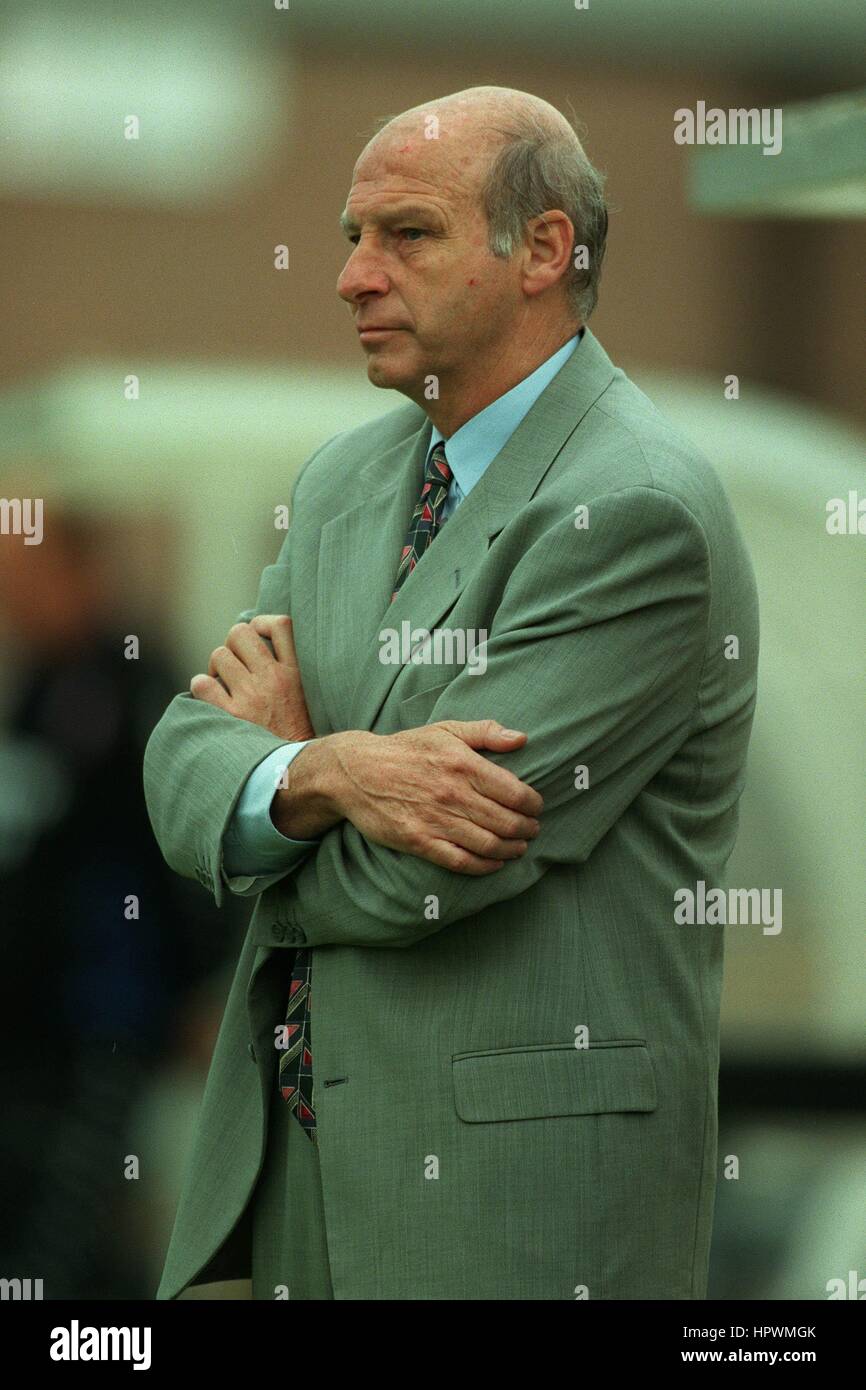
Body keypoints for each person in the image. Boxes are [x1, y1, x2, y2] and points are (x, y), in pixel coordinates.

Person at [143, 85, 759, 1300]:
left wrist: (274, 793)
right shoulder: (339, 481)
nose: (351, 276)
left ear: (541, 250)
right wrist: (328, 772)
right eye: (348, 236)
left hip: (511, 1223)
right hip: (292, 1191)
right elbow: (178, 768)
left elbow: (428, 866)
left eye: (404, 234)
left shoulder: (632, 509)